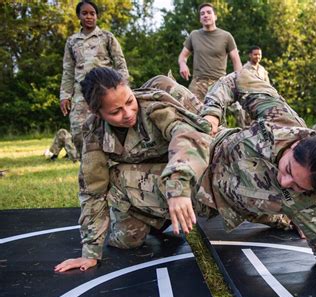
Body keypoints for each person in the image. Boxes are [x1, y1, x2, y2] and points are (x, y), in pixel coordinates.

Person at [197, 69, 316, 297]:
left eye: (298, 186)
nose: (285, 182)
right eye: (290, 170)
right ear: (297, 145)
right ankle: (289, 218)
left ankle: (287, 218)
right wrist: (212, 113)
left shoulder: (310, 200)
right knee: (161, 92)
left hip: (213, 198)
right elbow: (237, 79)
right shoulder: (280, 118)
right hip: (208, 147)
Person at [54, 67, 212, 272]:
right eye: (115, 112)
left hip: (192, 166)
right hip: (149, 181)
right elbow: (93, 191)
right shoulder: (94, 134)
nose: (128, 114)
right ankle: (156, 217)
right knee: (125, 240)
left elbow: (191, 135)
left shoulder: (154, 104)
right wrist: (90, 253)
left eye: (129, 101)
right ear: (97, 113)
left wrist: (177, 186)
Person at [60, 0, 129, 158]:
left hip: (105, 89)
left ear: (97, 16)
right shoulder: (72, 41)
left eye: (92, 13)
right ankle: (87, 162)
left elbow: (120, 63)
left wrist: (124, 88)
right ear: (79, 16)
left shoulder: (106, 37)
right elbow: (68, 70)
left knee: (110, 125)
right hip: (81, 92)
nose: (89, 16)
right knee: (78, 130)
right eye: (85, 13)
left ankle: (114, 159)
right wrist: (64, 95)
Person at [178, 3, 242, 102]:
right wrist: (182, 64)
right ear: (200, 19)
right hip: (197, 84)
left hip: (218, 84)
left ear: (215, 16)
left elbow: (236, 59)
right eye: (202, 13)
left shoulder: (226, 36)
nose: (205, 15)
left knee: (215, 114)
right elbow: (183, 56)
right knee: (191, 114)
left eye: (209, 12)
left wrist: (239, 81)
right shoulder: (194, 35)